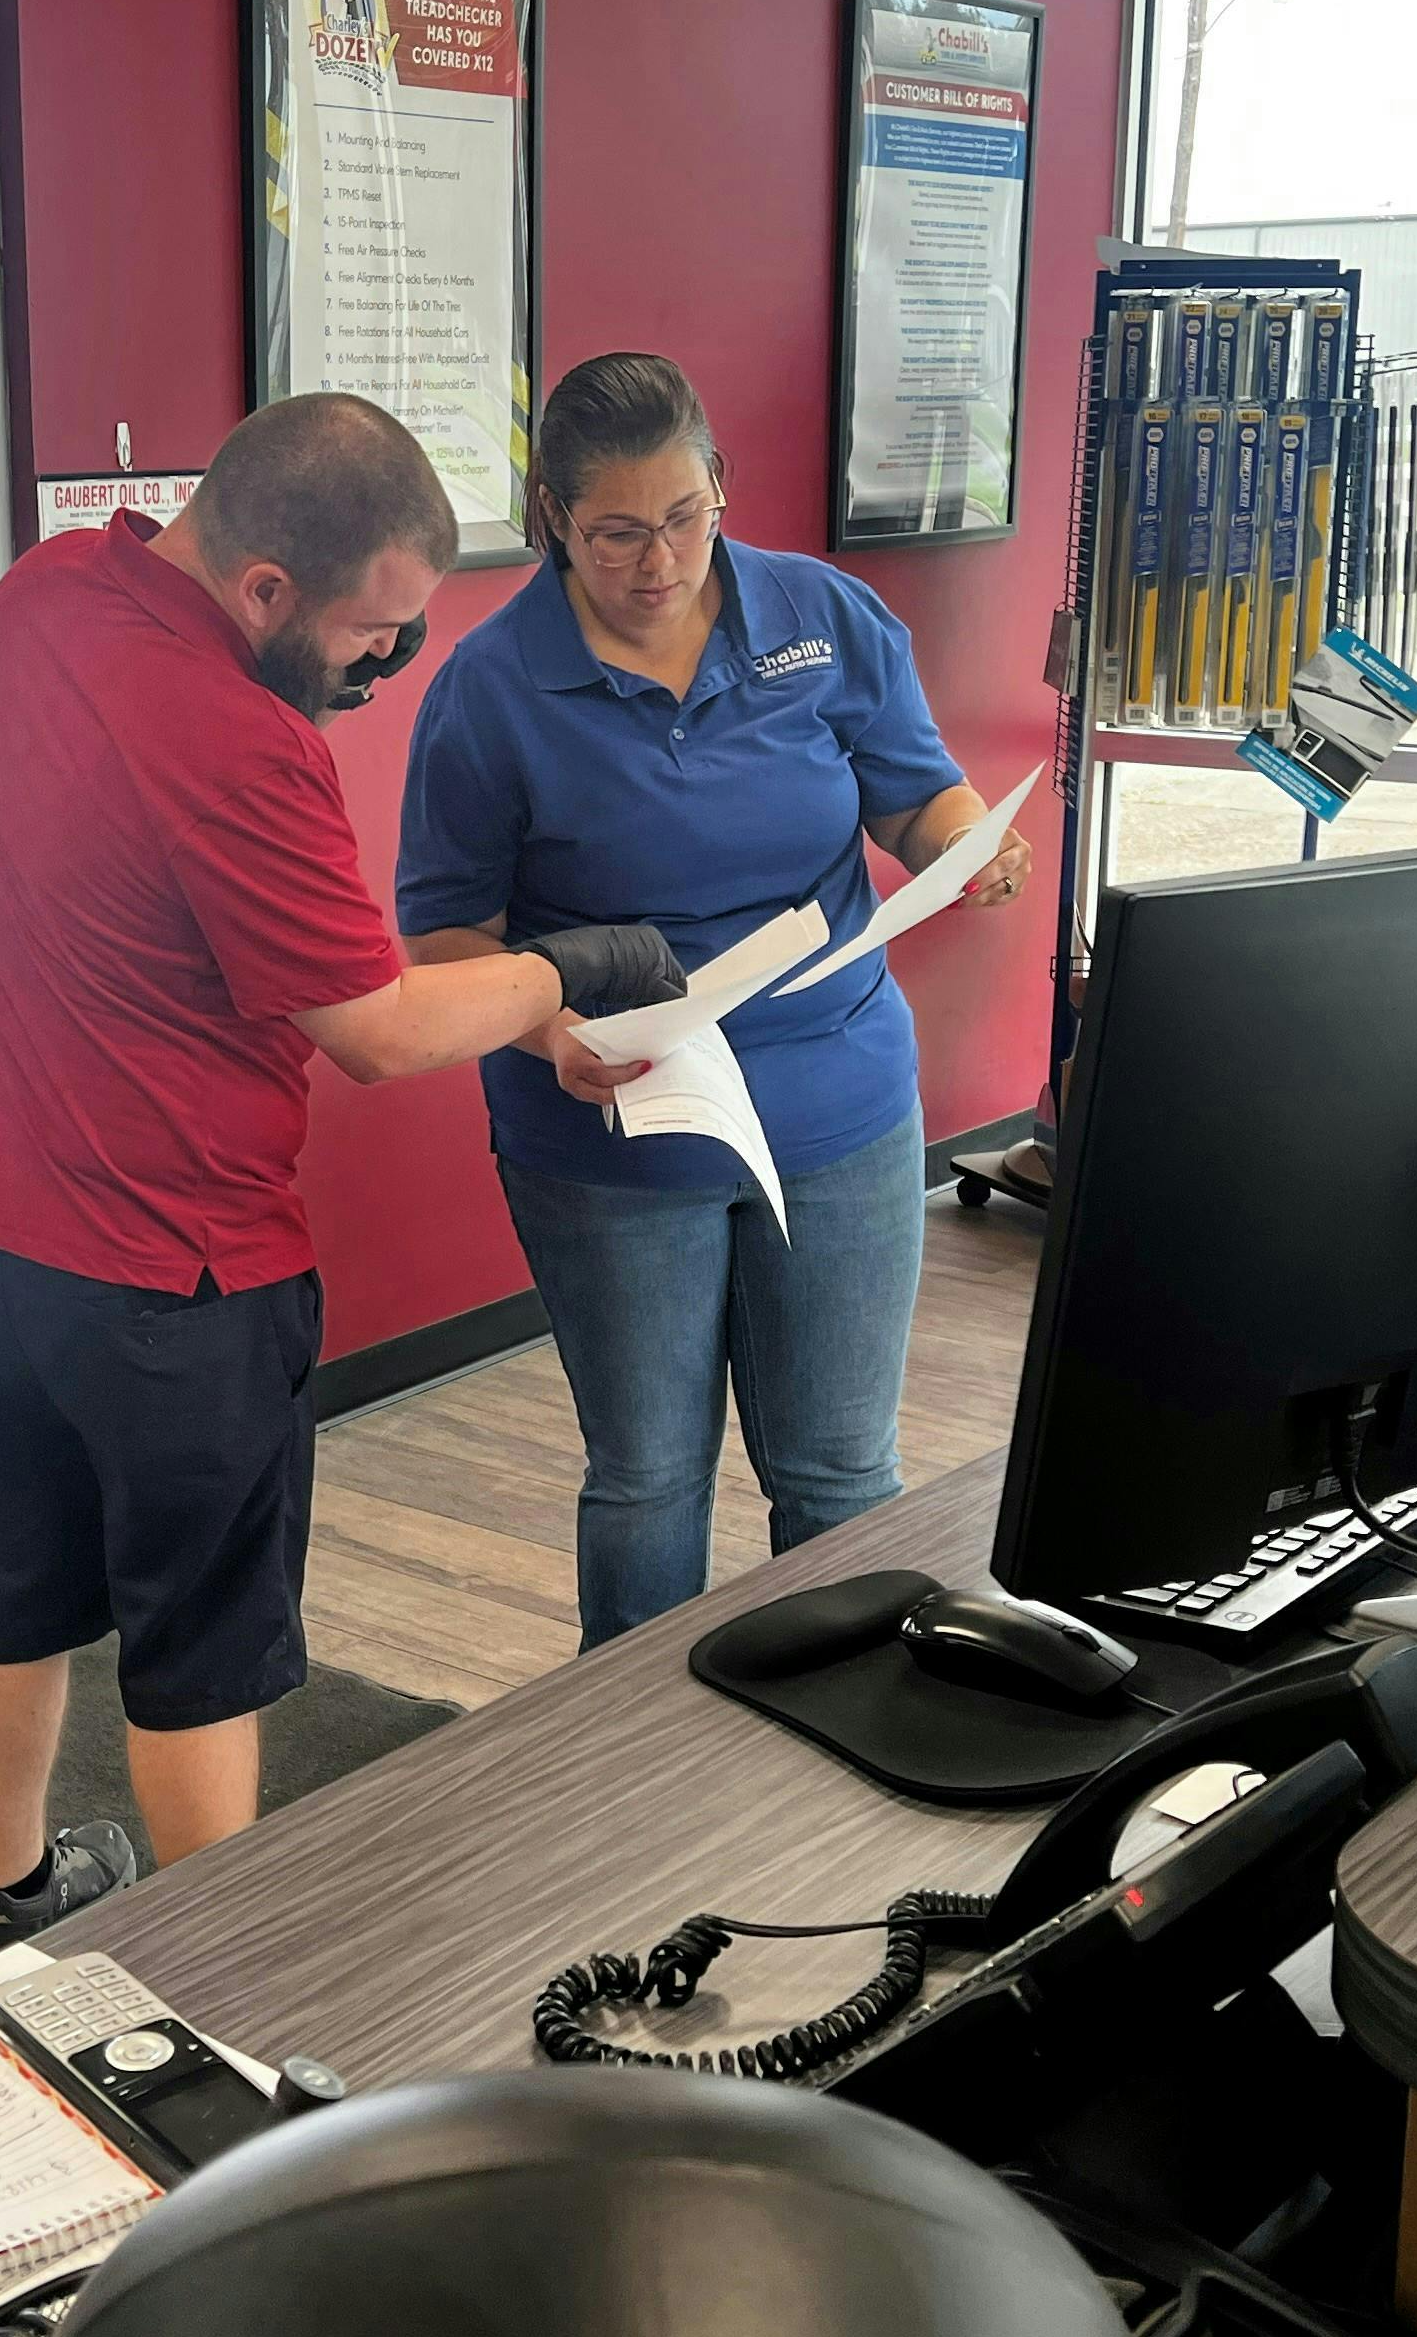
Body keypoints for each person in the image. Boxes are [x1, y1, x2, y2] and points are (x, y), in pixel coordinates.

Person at [0, 392, 681, 1964]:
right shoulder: (246, 743)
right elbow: (382, 1032)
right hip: (180, 1273)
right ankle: (214, 1976)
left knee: (4, 1590)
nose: (383, 669)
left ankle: (9, 1899)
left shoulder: (43, 591)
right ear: (265, 589)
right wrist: (559, 976)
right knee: (202, 1646)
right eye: (370, 636)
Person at [396, 351, 1032, 1649]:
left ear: (723, 489)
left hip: (837, 1096)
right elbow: (447, 932)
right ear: (551, 521)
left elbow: (913, 789)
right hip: (616, 1121)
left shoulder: (823, 616)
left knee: (842, 1473)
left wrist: (967, 844)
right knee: (647, 1480)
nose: (660, 560)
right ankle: (632, 1774)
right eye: (619, 533)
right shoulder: (490, 689)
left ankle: (853, 1724)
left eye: (686, 517)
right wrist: (542, 1028)